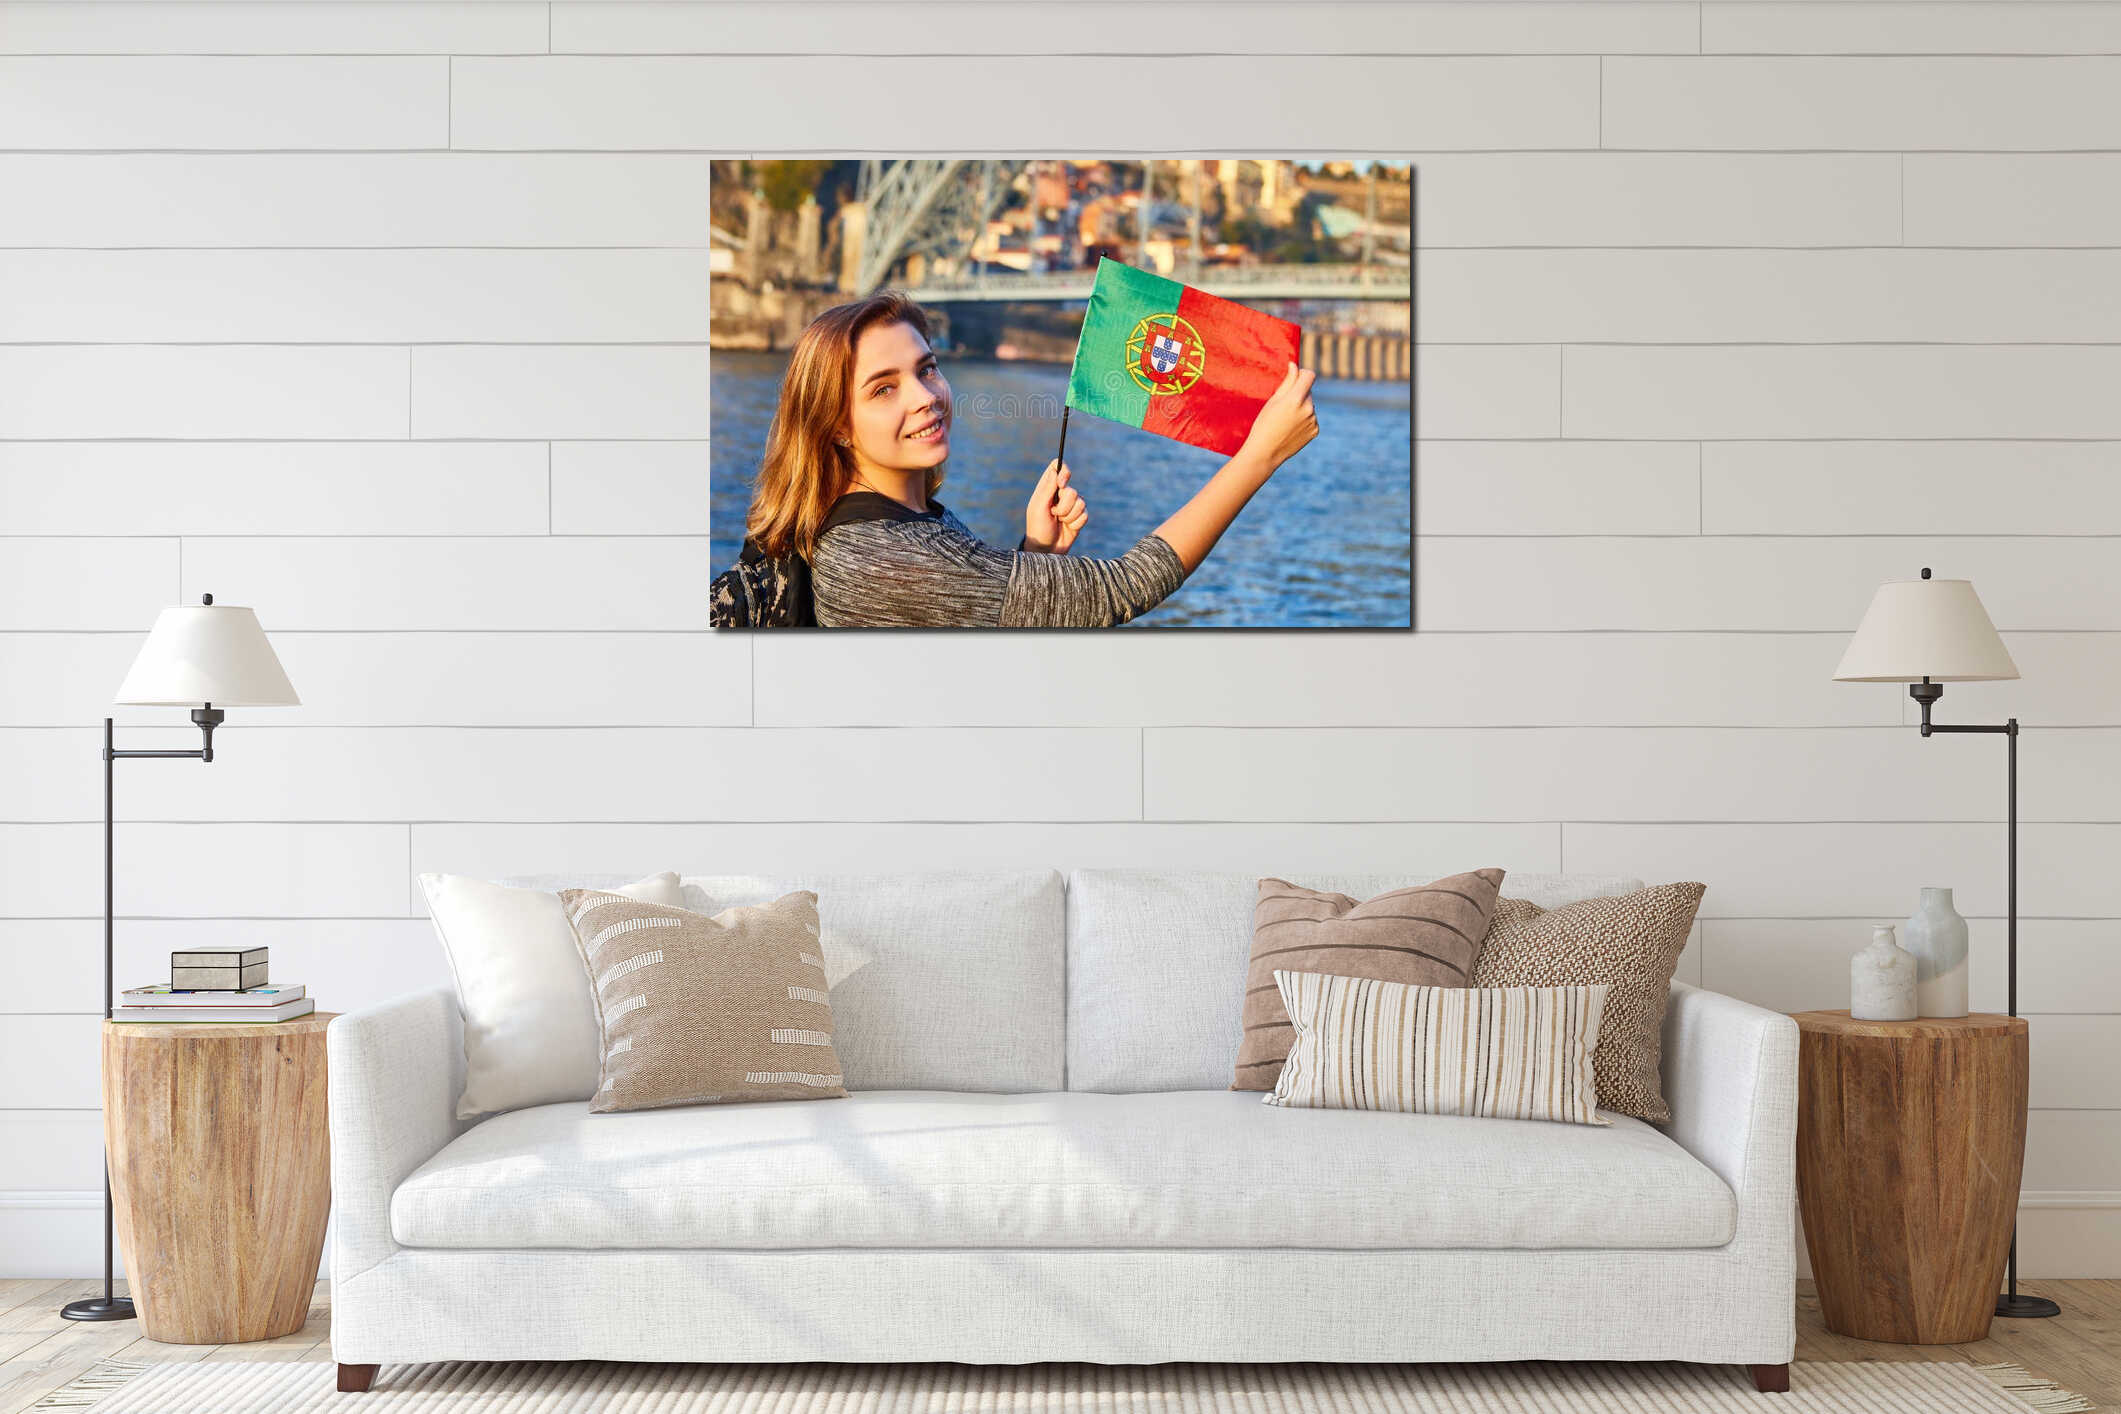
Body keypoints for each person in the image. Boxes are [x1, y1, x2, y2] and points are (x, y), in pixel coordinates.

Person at [730, 289, 1318, 628]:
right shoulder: (887, 554)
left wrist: (1033, 556)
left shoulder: (901, 520)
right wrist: (1257, 457)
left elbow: (968, 612)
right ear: (835, 424)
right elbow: (1119, 591)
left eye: (926, 368)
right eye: (884, 388)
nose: (925, 397)